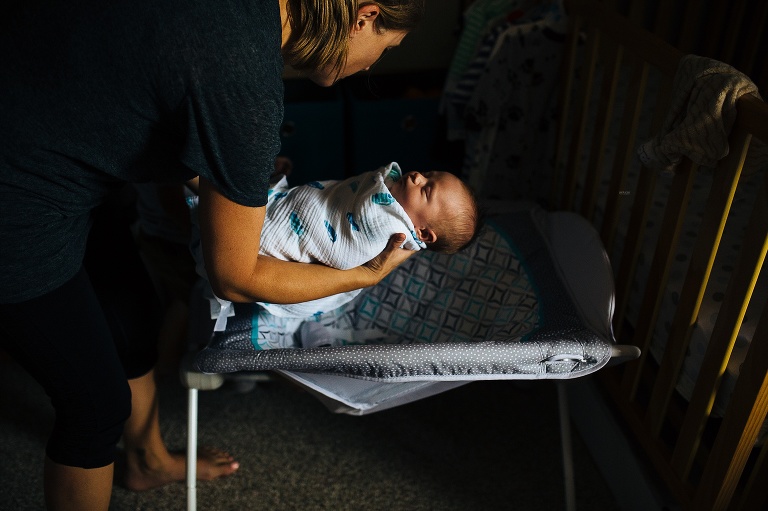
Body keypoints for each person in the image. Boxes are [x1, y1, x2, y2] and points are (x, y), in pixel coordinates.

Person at [0, 1, 425, 509]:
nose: (373, 65)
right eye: (385, 48)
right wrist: (364, 276)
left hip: (63, 144)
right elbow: (236, 276)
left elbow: (156, 84)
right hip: (18, 193)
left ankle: (145, 461)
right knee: (95, 407)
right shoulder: (245, 77)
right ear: (365, 16)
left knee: (133, 324)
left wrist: (238, 183)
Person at [189, 161, 481, 321]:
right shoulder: (394, 197)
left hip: (271, 244)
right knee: (222, 192)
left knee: (220, 199)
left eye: (426, 189)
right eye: (427, 174)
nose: (417, 176)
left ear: (423, 234)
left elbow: (350, 240)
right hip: (292, 209)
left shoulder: (389, 227)